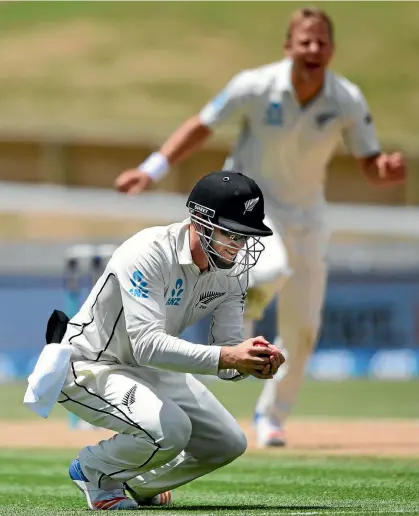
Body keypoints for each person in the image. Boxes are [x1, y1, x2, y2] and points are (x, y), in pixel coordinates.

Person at [114, 7, 407, 448]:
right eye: (304, 41)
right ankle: (238, 307)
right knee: (270, 270)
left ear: (332, 49)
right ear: (289, 46)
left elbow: (370, 164)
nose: (313, 49)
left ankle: (271, 417)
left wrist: (386, 170)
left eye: (321, 42)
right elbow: (202, 125)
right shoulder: (255, 85)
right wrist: (151, 169)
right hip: (250, 210)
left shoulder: (346, 97)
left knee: (305, 329)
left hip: (309, 218)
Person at [57, 170, 284, 510]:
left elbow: (228, 359)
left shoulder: (234, 271)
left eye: (245, 237)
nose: (238, 246)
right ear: (200, 222)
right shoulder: (147, 252)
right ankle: (94, 470)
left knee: (228, 443)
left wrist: (252, 362)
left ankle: (139, 482)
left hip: (152, 367)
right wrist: (230, 357)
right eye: (231, 234)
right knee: (172, 430)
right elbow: (147, 344)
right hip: (91, 364)